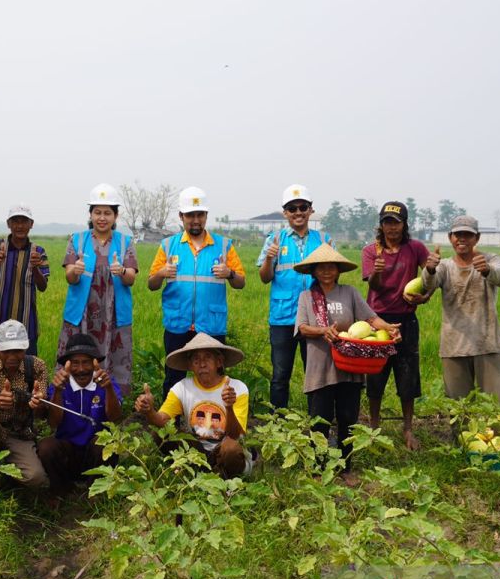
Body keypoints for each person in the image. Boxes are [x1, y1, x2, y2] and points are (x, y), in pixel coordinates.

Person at [294, 244, 400, 482]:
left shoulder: (349, 293)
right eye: (321, 267)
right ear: (314, 271)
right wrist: (323, 331)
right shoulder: (306, 297)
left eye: (331, 266)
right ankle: (319, 467)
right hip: (320, 366)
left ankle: (346, 468)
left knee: (348, 419)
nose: (327, 271)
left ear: (338, 270)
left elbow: (370, 319)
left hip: (350, 366)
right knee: (319, 420)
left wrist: (389, 328)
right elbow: (302, 327)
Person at [147, 186, 245, 397]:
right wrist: (161, 273)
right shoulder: (168, 246)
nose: (195, 220)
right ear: (181, 216)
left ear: (206, 216)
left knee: (214, 376)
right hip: (177, 323)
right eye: (190, 215)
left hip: (211, 323)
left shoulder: (224, 246)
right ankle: (171, 424)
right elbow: (151, 284)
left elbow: (241, 282)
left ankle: (214, 422)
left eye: (199, 214)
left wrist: (229, 273)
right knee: (174, 376)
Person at [360, 201, 433, 450]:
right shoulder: (371, 251)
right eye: (387, 222)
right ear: (381, 225)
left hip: (406, 321)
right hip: (378, 320)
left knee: (407, 376)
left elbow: (430, 278)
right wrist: (378, 271)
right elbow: (376, 287)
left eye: (396, 222)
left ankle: (409, 429)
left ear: (405, 224)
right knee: (376, 376)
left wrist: (427, 292)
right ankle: (374, 427)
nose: (392, 227)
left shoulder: (415, 248)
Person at [133, 333, 253, 479]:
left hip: (224, 449)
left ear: (219, 361)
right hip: (196, 449)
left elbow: (235, 435)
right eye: (196, 359)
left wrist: (228, 407)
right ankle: (201, 471)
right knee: (161, 433)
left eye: (207, 357)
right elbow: (162, 419)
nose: (202, 364)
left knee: (231, 449)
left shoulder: (237, 388)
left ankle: (225, 476)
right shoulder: (182, 387)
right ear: (190, 366)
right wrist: (149, 411)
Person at [257, 184, 331, 410]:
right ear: (285, 213)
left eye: (302, 207)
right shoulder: (275, 239)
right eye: (292, 208)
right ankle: (277, 422)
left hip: (315, 319)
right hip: (283, 318)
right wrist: (270, 259)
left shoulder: (323, 239)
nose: (298, 212)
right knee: (280, 375)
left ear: (311, 210)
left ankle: (317, 423)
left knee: (317, 374)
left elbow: (332, 276)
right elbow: (264, 278)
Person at [59, 184, 139, 395]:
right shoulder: (77, 240)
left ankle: (113, 399)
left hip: (113, 313)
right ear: (90, 214)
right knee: (77, 353)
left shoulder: (125, 243)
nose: (102, 218)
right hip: (82, 312)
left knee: (115, 353)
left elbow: (130, 279)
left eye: (107, 213)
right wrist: (75, 270)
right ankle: (71, 397)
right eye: (97, 212)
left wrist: (121, 270)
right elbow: (69, 277)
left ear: (115, 216)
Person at [423, 215, 500, 409]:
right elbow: (430, 282)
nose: (462, 239)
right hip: (454, 346)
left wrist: (486, 270)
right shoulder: (444, 266)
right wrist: (429, 269)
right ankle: (461, 441)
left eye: (467, 235)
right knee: (459, 410)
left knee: (499, 408)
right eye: (457, 234)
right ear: (450, 238)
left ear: (476, 238)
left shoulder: (490, 259)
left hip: (488, 343)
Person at [37, 333, 123, 496]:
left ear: (95, 363)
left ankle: (96, 492)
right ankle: (61, 489)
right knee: (46, 447)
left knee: (106, 443)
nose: (81, 369)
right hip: (68, 452)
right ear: (67, 366)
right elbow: (53, 423)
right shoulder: (59, 385)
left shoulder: (105, 383)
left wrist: (109, 389)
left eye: (86, 362)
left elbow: (116, 418)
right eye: (75, 363)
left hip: (96, 454)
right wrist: (57, 391)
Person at [0, 320, 50, 490]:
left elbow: (43, 413)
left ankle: (6, 471)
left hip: (20, 433)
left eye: (18, 350)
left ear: (26, 348)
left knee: (37, 479)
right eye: (6, 351)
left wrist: (38, 403)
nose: (12, 356)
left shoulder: (37, 366)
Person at [0, 204, 49, 356]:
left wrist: (35, 267)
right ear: (9, 224)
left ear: (31, 224)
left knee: (27, 372)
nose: (19, 226)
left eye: (24, 221)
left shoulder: (39, 251)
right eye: (15, 221)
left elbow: (43, 286)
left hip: (27, 324)